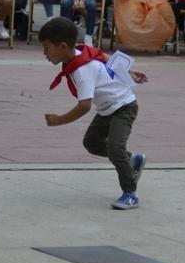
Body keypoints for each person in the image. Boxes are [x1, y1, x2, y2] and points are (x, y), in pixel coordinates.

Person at [41, 16, 148, 211]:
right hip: (108, 108)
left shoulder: (82, 70)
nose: (45, 54)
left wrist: (60, 120)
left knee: (116, 149)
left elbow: (84, 106)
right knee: (91, 142)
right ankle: (132, 160)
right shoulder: (81, 51)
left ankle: (130, 193)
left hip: (124, 106)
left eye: (47, 48)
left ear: (63, 46)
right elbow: (103, 57)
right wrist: (130, 72)